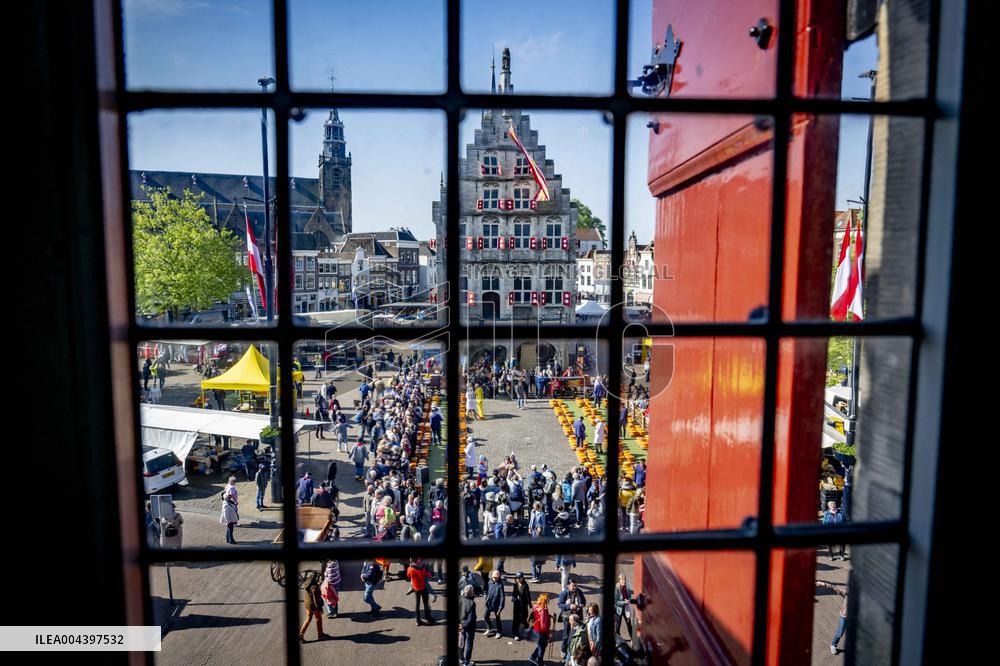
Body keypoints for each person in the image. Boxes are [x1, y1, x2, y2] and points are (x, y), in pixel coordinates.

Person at [816, 580, 848, 654]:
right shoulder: (846, 593)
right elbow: (833, 587)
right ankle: (833, 645)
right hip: (844, 616)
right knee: (840, 633)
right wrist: (822, 584)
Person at [558, 579, 587, 659]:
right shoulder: (564, 593)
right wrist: (569, 606)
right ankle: (563, 650)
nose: (575, 587)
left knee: (577, 634)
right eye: (573, 586)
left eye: (576, 585)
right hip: (567, 617)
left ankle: (574, 651)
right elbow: (560, 604)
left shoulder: (579, 591)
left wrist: (581, 604)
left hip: (577, 617)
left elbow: (584, 601)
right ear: (568, 586)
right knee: (566, 634)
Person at [299, 573, 329, 642]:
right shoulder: (314, 588)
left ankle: (300, 634)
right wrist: (320, 609)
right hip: (313, 606)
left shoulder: (307, 583)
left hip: (308, 604)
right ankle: (320, 634)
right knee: (318, 619)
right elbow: (316, 601)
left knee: (308, 619)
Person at [407, 558, 435, 625]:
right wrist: (430, 576)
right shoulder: (422, 567)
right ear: (418, 560)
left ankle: (417, 620)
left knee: (417, 604)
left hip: (416, 588)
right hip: (423, 587)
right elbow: (427, 574)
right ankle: (428, 618)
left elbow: (408, 575)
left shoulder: (410, 569)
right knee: (426, 603)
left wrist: (410, 567)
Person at [529, 592, 553, 666]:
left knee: (541, 646)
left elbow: (541, 617)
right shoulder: (542, 609)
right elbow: (543, 625)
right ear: (544, 600)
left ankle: (533, 657)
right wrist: (549, 633)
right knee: (542, 647)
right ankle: (540, 663)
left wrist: (549, 616)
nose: (549, 600)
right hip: (541, 632)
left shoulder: (539, 605)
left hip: (537, 630)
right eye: (548, 598)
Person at [511, 572, 532, 641]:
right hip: (516, 605)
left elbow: (528, 596)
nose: (518, 579)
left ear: (522, 578)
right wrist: (513, 598)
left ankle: (527, 631)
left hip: (523, 605)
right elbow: (514, 593)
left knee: (524, 618)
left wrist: (530, 605)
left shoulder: (525, 585)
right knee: (516, 619)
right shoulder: (515, 584)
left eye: (519, 578)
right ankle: (516, 633)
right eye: (517, 578)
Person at [484, 569, 506, 639]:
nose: (494, 579)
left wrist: (500, 608)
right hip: (489, 603)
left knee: (497, 619)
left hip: (496, 605)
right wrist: (486, 598)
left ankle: (499, 632)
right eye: (493, 577)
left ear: (499, 577)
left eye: (496, 577)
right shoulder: (490, 582)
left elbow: (502, 598)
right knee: (485, 616)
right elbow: (487, 591)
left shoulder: (500, 586)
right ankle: (490, 628)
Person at [460, 585, 478, 666]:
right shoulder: (472, 603)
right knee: (469, 644)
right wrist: (464, 625)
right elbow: (471, 618)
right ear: (471, 593)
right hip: (469, 626)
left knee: (461, 642)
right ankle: (466, 662)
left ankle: (461, 658)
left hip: (460, 624)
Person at [614, 573, 634, 639]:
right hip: (619, 610)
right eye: (622, 580)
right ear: (619, 581)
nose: (624, 581)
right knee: (617, 626)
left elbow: (630, 595)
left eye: (625, 580)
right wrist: (624, 602)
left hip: (626, 609)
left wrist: (629, 600)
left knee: (629, 624)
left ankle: (632, 638)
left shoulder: (627, 587)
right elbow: (616, 601)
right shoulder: (616, 589)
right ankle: (618, 639)